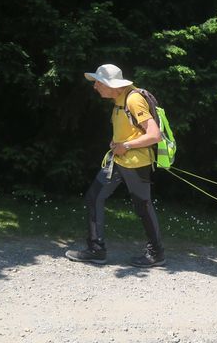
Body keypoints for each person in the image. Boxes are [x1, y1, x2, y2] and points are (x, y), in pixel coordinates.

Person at [65, 64, 165, 268]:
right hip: (119, 160)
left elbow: (154, 135)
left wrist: (125, 145)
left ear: (112, 85)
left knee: (143, 206)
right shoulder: (120, 99)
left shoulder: (133, 99)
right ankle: (96, 250)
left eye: (99, 83)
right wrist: (117, 144)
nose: (95, 87)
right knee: (94, 197)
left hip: (136, 163)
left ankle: (157, 254)